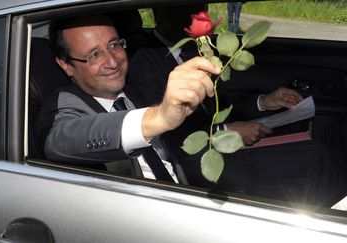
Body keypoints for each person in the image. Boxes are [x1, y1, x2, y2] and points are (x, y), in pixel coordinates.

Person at [38, 13, 346, 207]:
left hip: (198, 183)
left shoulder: (136, 91)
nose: (112, 60)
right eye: (93, 55)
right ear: (66, 65)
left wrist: (257, 106)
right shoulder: (63, 103)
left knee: (321, 160)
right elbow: (62, 140)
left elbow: (196, 120)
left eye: (115, 44)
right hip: (158, 214)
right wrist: (157, 118)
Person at [126, 5, 347, 206]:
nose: (201, 14)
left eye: (204, 8)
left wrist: (265, 101)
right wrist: (227, 133)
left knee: (326, 133)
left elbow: (220, 99)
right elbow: (163, 132)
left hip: (227, 137)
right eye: (193, 8)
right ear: (164, 14)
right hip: (202, 157)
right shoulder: (143, 66)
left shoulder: (194, 49)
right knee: (320, 155)